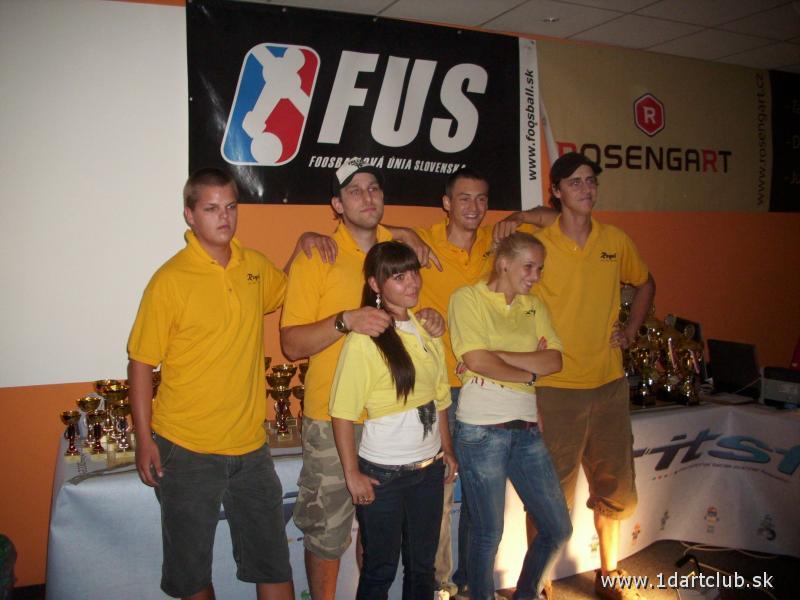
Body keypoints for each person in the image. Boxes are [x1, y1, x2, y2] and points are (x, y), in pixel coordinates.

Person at [280, 158, 444, 600]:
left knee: (381, 539)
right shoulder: (318, 255)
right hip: (335, 419)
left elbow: (412, 318)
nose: (367, 197)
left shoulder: (401, 249)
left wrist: (432, 317)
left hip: (398, 421)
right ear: (336, 204)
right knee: (328, 532)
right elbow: (291, 345)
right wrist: (345, 320)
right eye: (354, 190)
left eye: (374, 188)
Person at [128, 168, 294, 600]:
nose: (224, 217)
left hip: (250, 448)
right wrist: (144, 439)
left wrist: (304, 246)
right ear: (190, 215)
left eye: (231, 207)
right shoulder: (170, 280)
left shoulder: (254, 266)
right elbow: (141, 364)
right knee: (191, 573)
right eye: (211, 208)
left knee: (274, 562)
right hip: (186, 448)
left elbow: (286, 288)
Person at [413, 168, 557, 598]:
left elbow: (560, 216)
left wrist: (521, 215)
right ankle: (439, 585)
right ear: (446, 203)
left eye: (481, 198)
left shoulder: (497, 249)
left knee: (480, 502)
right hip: (437, 387)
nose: (474, 207)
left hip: (493, 388)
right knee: (441, 490)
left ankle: (469, 583)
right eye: (464, 198)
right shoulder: (422, 243)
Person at [533, 152, 656, 600]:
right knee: (548, 494)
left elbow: (645, 283)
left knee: (614, 488)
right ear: (556, 192)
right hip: (556, 389)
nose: (586, 189)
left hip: (608, 385)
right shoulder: (539, 245)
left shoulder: (615, 240)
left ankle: (609, 572)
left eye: (591, 181)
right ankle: (539, 581)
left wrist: (631, 330)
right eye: (575, 182)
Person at [329, 241, 457, 599]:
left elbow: (440, 398)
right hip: (383, 475)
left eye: (413, 272)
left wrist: (447, 449)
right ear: (375, 284)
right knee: (379, 570)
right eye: (398, 277)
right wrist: (352, 473)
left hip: (428, 471)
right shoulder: (364, 339)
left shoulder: (427, 329)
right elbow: (342, 413)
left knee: (423, 568)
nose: (411, 282)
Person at [448, 231, 572, 600]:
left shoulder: (535, 307)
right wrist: (528, 371)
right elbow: (476, 359)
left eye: (540, 269)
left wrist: (496, 356)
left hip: (528, 430)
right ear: (504, 263)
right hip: (481, 430)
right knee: (488, 533)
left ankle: (526, 593)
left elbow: (555, 361)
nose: (536, 276)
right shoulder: (467, 298)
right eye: (529, 267)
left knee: (558, 528)